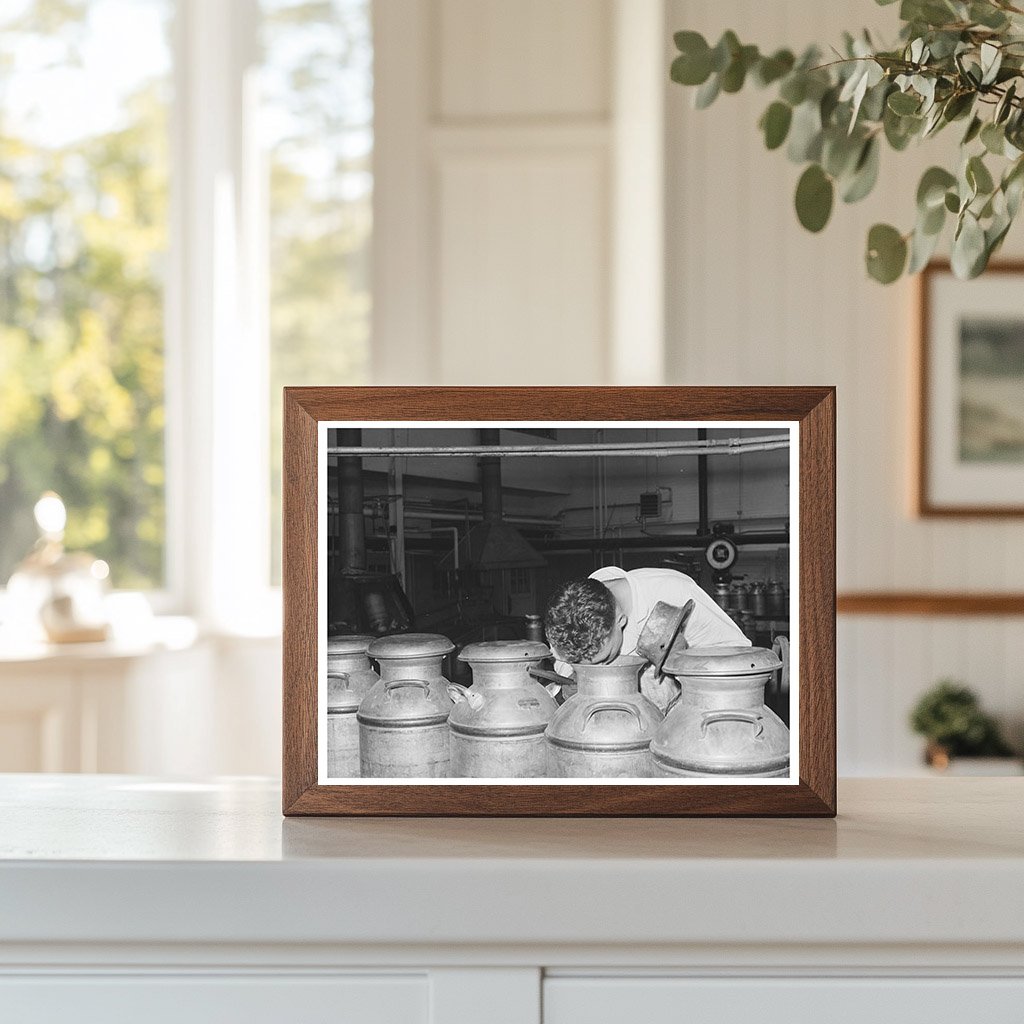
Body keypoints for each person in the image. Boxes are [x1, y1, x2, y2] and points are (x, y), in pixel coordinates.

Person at [543, 566, 751, 709]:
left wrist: (682, 663)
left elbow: (738, 654)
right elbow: (563, 664)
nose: (597, 668)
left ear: (621, 621)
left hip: (684, 710)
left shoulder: (672, 592)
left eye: (604, 659)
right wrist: (573, 676)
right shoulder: (570, 614)